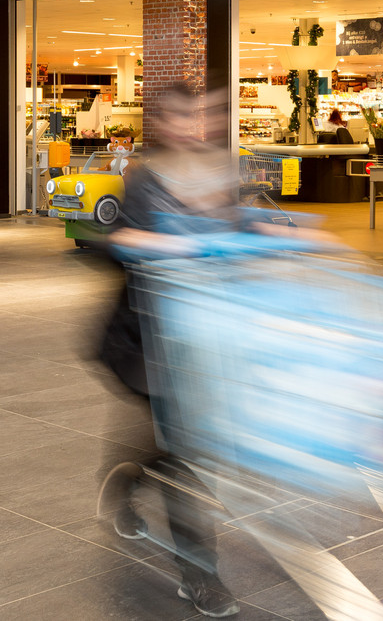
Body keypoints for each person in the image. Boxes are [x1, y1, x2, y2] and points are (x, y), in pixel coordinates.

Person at [95, 82, 241, 618]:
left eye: (196, 115)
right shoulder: (144, 177)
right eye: (179, 116)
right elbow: (120, 241)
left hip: (204, 334)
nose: (190, 125)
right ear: (161, 122)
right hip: (149, 336)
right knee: (184, 452)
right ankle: (200, 574)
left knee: (173, 443)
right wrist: (177, 246)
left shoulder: (220, 171)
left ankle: (124, 479)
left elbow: (237, 233)